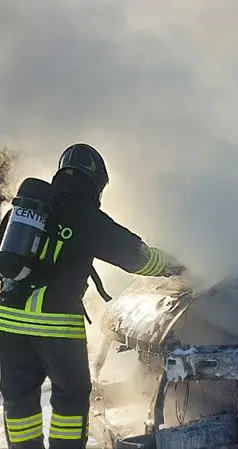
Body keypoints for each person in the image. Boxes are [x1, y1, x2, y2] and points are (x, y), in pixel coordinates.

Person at [0, 143, 187, 449]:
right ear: (95, 181)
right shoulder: (83, 214)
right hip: (55, 327)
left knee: (19, 400)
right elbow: (134, 256)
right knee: (70, 401)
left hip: (8, 325)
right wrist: (175, 266)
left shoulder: (26, 211)